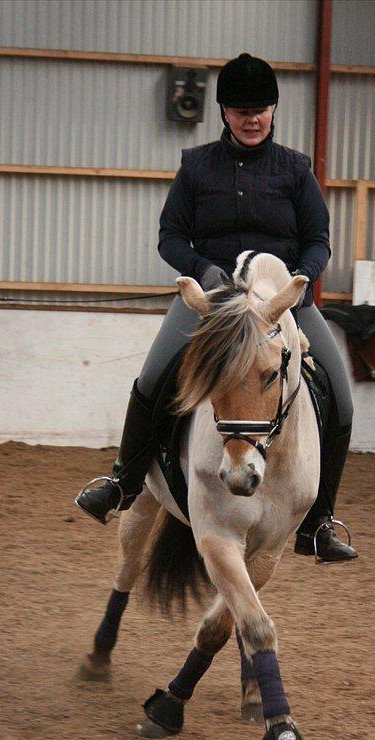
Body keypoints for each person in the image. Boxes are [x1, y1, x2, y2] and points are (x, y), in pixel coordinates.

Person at [76, 52, 357, 562]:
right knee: (153, 377)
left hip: (279, 305)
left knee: (340, 396)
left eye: (260, 109)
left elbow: (319, 239)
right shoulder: (197, 166)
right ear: (224, 113)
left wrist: (300, 281)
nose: (252, 119)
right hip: (213, 303)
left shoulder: (296, 171)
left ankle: (319, 521)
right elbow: (170, 236)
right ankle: (124, 481)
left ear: (273, 110)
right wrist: (206, 273)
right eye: (240, 110)